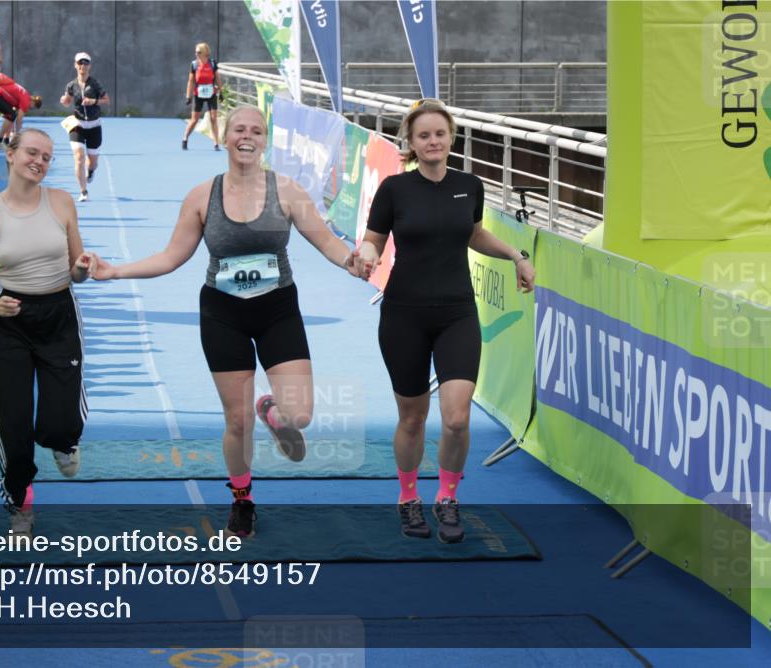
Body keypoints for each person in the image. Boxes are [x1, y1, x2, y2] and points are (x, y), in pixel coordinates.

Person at [89, 106, 362, 538]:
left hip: (277, 311)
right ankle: (242, 499)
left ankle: (273, 412)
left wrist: (351, 261)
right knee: (237, 422)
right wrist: (115, 271)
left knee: (301, 415)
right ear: (226, 137)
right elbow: (171, 256)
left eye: (256, 130)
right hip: (223, 314)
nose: (247, 136)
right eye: (239, 129)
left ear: (265, 141)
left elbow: (327, 241)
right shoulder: (202, 197)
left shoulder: (287, 191)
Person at [355, 99, 536, 543]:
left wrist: (516, 255)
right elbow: (373, 240)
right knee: (412, 418)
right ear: (412, 143)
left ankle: (447, 497)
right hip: (404, 316)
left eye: (439, 133)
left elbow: (474, 234)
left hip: (457, 314)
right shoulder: (395, 189)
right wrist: (367, 256)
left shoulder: (469, 185)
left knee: (456, 418)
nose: (433, 141)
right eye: (424, 135)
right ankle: (408, 498)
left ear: (451, 138)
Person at [0, 128, 97, 537]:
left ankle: (64, 441)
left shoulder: (61, 202)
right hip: (11, 319)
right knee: (13, 422)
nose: (39, 162)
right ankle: (20, 501)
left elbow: (77, 269)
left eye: (47, 157)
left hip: (59, 314)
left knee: (59, 419)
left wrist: (83, 269)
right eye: (32, 153)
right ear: (11, 154)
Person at [60, 52, 108, 202]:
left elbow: (106, 100)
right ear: (75, 65)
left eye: (86, 63)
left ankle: (91, 171)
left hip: (94, 126)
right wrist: (65, 101)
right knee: (79, 157)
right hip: (78, 125)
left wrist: (93, 101)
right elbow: (68, 100)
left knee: (92, 163)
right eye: (80, 63)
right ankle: (83, 191)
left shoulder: (95, 84)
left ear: (89, 66)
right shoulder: (71, 85)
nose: (83, 66)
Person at [182, 42, 222, 151]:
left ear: (205, 53)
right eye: (196, 52)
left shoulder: (212, 63)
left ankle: (216, 143)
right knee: (194, 120)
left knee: (213, 118)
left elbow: (217, 78)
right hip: (198, 94)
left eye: (199, 52)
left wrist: (221, 92)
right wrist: (188, 96)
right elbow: (191, 81)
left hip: (211, 93)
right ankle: (185, 138)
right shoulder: (194, 64)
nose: (197, 54)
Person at [0, 71, 41, 146]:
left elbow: (13, 119)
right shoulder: (26, 100)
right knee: (11, 115)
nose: (30, 109)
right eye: (33, 107)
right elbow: (19, 121)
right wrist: (17, 136)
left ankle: (6, 140)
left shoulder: (24, 96)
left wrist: (11, 134)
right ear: (33, 102)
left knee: (11, 115)